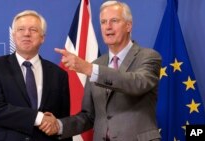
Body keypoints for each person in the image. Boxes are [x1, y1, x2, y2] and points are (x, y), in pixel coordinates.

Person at [41, 1, 162, 141]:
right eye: (103, 22)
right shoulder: (97, 64)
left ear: (128, 25)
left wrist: (89, 69)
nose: (108, 27)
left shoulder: (148, 56)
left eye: (114, 21)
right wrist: (59, 125)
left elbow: (137, 84)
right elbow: (89, 116)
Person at [0, 10, 72, 141]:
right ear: (13, 35)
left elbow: (62, 121)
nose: (26, 34)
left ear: (43, 37)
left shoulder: (59, 74)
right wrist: (39, 118)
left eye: (33, 30)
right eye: (21, 29)